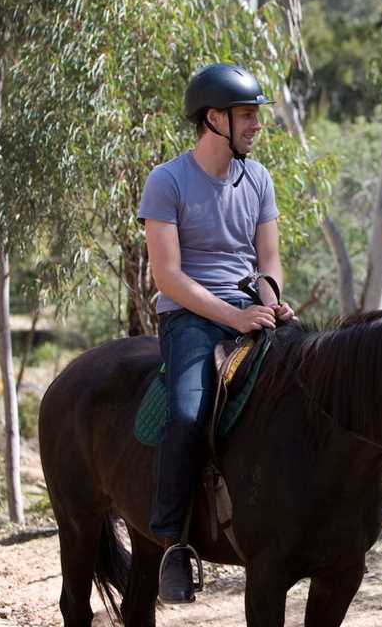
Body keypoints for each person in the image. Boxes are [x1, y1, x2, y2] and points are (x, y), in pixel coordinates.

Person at [138, 63, 296, 603]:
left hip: (251, 308)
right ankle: (173, 542)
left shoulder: (259, 178)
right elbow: (168, 276)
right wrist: (232, 318)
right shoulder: (167, 181)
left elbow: (268, 257)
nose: (256, 125)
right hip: (189, 317)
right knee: (186, 413)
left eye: (256, 115)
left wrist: (271, 301)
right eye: (247, 115)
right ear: (214, 119)